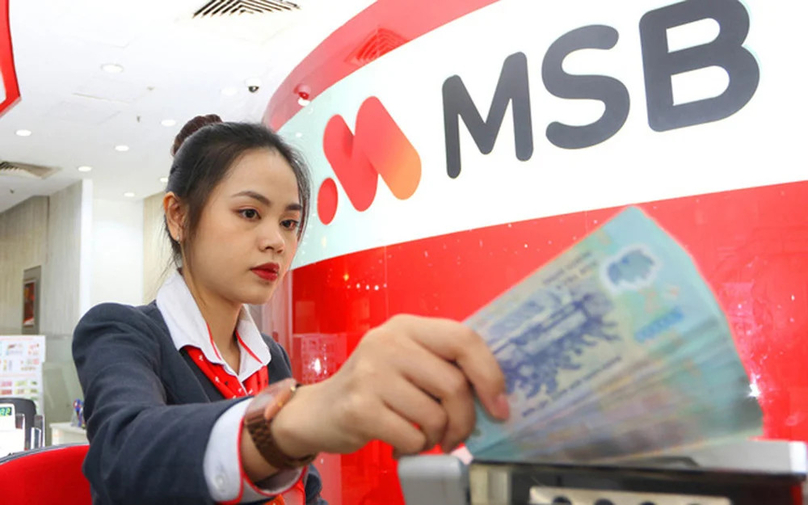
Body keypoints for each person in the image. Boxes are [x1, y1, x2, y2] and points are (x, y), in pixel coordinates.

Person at [72, 115, 510, 505]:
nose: (276, 241)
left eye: (289, 222)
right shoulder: (121, 331)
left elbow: (306, 490)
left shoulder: (269, 355)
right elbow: (121, 457)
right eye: (249, 213)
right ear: (178, 217)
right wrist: (298, 416)